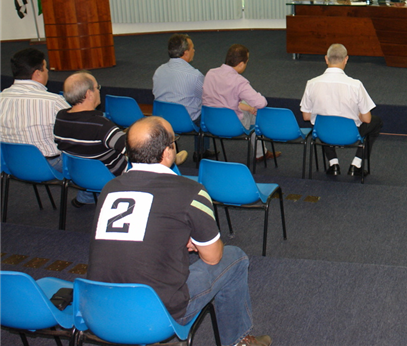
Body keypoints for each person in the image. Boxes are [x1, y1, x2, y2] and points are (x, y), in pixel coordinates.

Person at [87, 116, 271, 346]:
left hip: (98, 307)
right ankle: (237, 341)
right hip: (157, 313)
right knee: (235, 257)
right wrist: (197, 241)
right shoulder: (190, 191)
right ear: (167, 152)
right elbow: (213, 257)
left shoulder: (110, 188)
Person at [300, 43, 383, 177]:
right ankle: (356, 164)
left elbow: (306, 116)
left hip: (324, 133)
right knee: (376, 122)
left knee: (323, 120)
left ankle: (333, 164)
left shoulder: (311, 83)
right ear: (346, 59)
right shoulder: (355, 85)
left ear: (326, 59)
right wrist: (356, 115)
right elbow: (366, 119)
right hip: (350, 134)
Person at [53, 72, 131, 207]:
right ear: (89, 94)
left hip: (78, 174)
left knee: (87, 158)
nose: (99, 90)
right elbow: (131, 148)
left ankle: (86, 195)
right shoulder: (101, 125)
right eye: (97, 87)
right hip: (109, 176)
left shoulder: (60, 117)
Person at [202, 44, 278, 161]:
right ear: (241, 64)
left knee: (240, 102)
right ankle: (261, 152)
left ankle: (261, 151)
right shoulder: (239, 81)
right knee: (258, 112)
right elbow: (261, 103)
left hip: (211, 121)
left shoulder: (210, 73)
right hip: (233, 124)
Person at [0, 48, 69, 169]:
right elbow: (79, 130)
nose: (47, 71)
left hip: (10, 162)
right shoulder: (54, 101)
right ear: (37, 73)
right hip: (48, 164)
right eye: (45, 68)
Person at [152, 34, 209, 159]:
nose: (194, 50)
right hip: (186, 121)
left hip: (163, 117)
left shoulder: (159, 70)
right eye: (192, 48)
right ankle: (201, 152)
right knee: (204, 112)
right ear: (185, 53)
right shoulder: (194, 75)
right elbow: (206, 96)